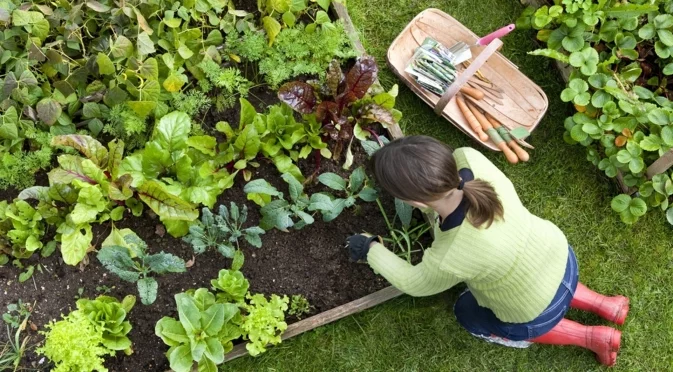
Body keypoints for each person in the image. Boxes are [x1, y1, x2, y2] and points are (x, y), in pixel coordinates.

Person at [346, 135, 629, 366]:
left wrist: (370, 248)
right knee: (541, 279)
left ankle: (592, 337)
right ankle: (607, 305)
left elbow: (414, 283)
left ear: (415, 202)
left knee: (466, 312)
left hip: (533, 310)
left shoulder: (451, 255)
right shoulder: (470, 158)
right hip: (560, 256)